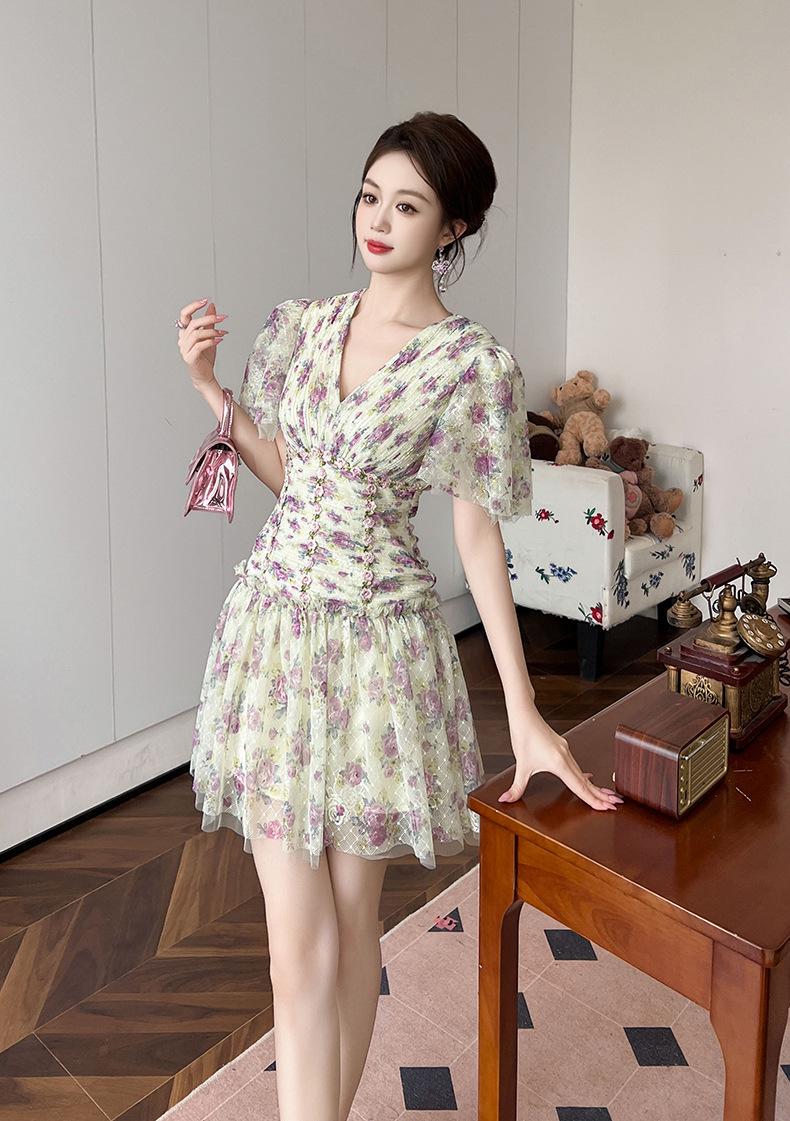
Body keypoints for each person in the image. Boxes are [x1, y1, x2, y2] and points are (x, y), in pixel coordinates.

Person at [177, 111, 623, 1121]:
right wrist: (209, 387)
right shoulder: (301, 325)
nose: (377, 221)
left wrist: (524, 710)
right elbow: (292, 476)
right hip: (276, 638)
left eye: (408, 206)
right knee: (295, 950)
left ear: (453, 227)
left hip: (380, 653)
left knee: (349, 928)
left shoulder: (470, 366)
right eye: (370, 196)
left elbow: (477, 538)